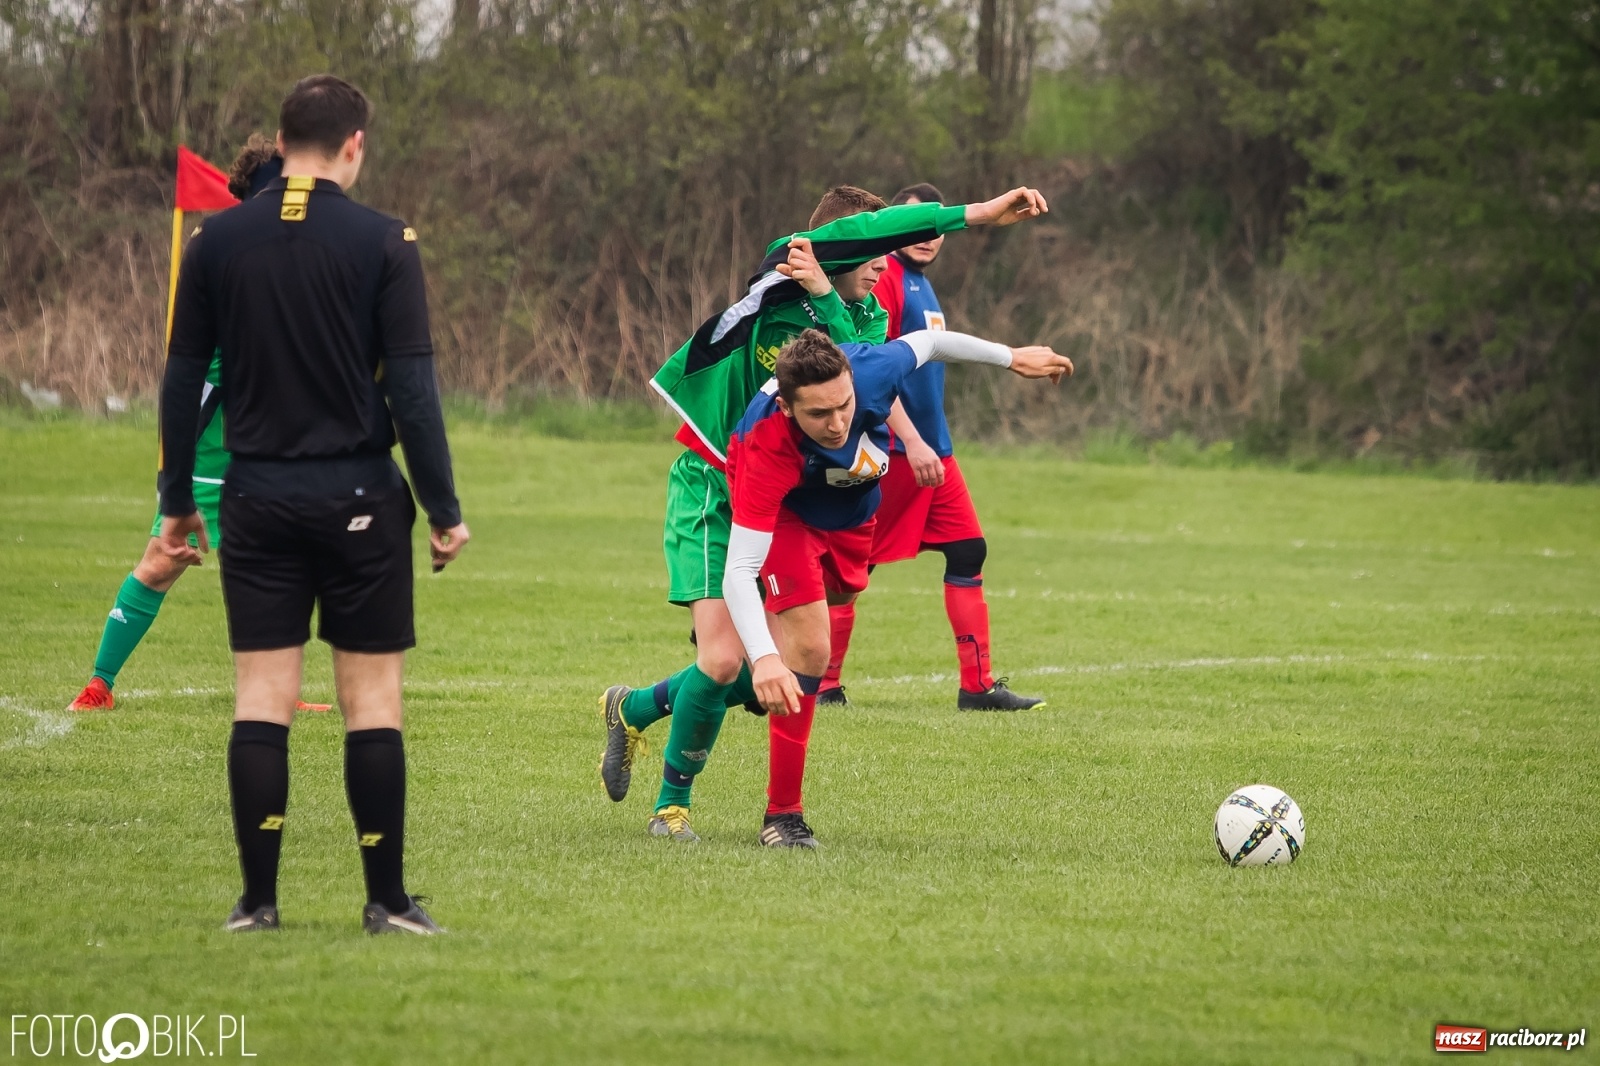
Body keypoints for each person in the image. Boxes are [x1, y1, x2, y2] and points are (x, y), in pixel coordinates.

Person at [597, 184, 1052, 843]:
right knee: (727, 660)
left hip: (783, 495)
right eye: (875, 254)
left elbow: (857, 367)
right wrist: (977, 214)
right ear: (837, 247)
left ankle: (636, 707)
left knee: (781, 674)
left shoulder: (857, 314)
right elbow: (877, 227)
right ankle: (672, 808)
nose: (883, 265)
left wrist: (833, 304)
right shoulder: (789, 265)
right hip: (712, 479)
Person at [158, 75, 468, 935]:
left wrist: (177, 498)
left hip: (255, 495)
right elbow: (412, 388)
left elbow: (184, 381)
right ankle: (386, 902)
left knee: (262, 694)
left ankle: (257, 905)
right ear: (354, 144)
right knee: (371, 703)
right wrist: (443, 508)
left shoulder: (214, 241)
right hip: (360, 495)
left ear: (283, 136)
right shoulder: (385, 242)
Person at [722, 327, 1073, 846]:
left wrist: (1011, 356)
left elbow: (931, 343)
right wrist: (767, 656)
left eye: (844, 405)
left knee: (812, 632)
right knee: (811, 651)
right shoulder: (766, 445)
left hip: (854, 508)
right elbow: (738, 569)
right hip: (791, 516)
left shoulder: (871, 370)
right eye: (819, 414)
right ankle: (783, 817)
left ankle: (655, 701)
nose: (838, 422)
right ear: (790, 410)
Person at [67, 136, 329, 715]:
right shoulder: (232, 245)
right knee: (163, 558)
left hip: (272, 441)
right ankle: (99, 683)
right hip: (219, 439)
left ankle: (279, 690)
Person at [822, 182, 1044, 711]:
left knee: (968, 550)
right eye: (914, 225)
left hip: (932, 449)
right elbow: (868, 371)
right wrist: (912, 440)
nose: (927, 238)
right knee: (853, 570)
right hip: (895, 450)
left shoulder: (919, 282)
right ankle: (821, 683)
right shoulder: (886, 279)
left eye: (933, 230)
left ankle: (977, 687)